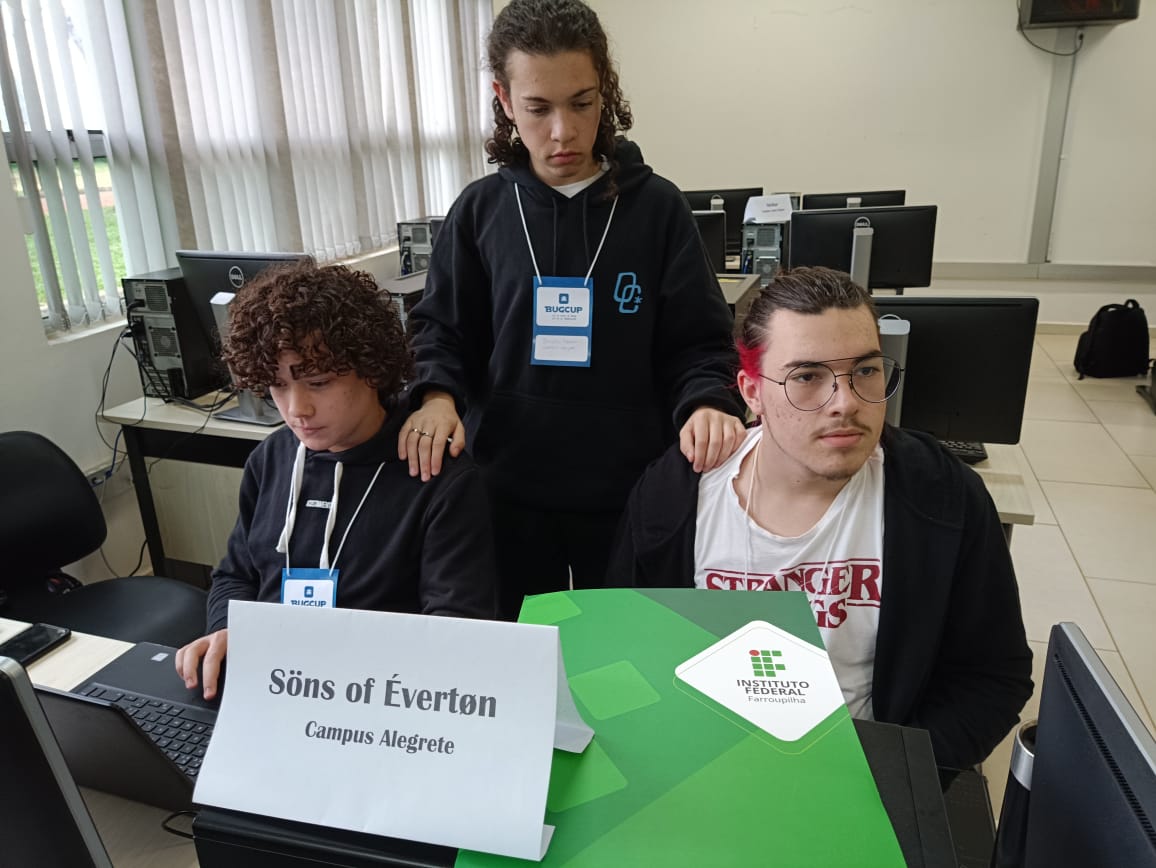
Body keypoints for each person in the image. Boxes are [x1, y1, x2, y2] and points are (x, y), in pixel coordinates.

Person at [606, 266, 1032, 770]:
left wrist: (896, 774)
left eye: (866, 371)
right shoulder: (677, 496)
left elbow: (992, 676)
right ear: (751, 392)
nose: (845, 403)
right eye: (807, 377)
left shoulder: (941, 496)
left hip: (869, 770)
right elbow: (624, 646)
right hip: (699, 764)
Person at [402, 0, 746, 618]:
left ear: (603, 91)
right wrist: (435, 396)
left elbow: (698, 341)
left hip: (628, 488)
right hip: (505, 487)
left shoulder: (658, 209)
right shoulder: (480, 211)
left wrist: (706, 402)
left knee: (622, 656)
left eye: (581, 103)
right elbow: (442, 329)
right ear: (505, 99)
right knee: (516, 652)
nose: (562, 131)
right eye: (538, 108)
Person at [176, 261, 498, 699]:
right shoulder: (270, 459)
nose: (297, 410)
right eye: (278, 386)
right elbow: (235, 575)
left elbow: (454, 628)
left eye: (318, 382)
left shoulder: (437, 477)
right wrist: (226, 633)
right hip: (269, 685)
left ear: (372, 369)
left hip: (379, 696)